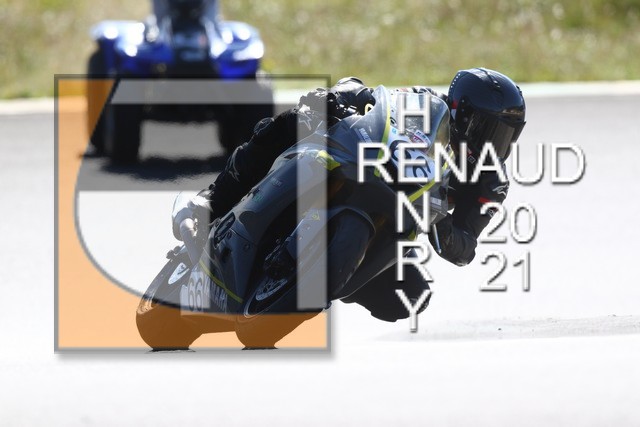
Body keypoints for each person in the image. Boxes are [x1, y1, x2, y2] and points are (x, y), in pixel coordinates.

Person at [174, 68, 526, 322]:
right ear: (461, 112)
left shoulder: (491, 183)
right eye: (487, 129)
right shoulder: (425, 104)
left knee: (409, 296)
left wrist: (441, 224)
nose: (493, 143)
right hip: (366, 167)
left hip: (396, 223)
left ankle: (326, 271)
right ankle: (213, 201)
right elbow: (372, 95)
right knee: (293, 120)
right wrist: (341, 96)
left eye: (504, 136)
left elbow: (465, 247)